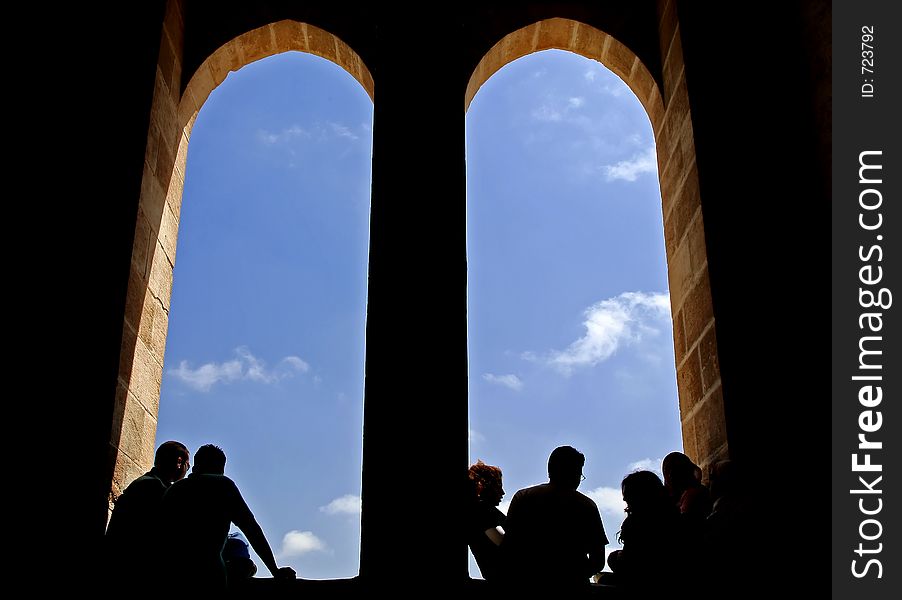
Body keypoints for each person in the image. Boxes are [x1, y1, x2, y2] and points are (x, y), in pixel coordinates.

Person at [161, 444, 296, 591]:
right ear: (221, 469)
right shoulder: (223, 486)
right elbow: (252, 530)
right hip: (209, 575)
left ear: (195, 466)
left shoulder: (174, 490)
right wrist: (275, 570)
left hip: (171, 576)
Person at [500, 446, 607, 589]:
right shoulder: (587, 506)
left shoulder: (523, 497)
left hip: (527, 584)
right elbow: (598, 561)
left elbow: (509, 547)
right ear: (575, 473)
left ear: (550, 470)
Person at [105, 441, 190, 581]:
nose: (187, 470)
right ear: (179, 462)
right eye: (188, 465)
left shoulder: (145, 483)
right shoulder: (154, 488)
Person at [606, 470, 683, 591]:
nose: (625, 500)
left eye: (628, 496)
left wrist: (616, 558)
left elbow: (631, 560)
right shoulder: (673, 517)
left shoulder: (635, 523)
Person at [466, 460, 506, 581]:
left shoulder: (483, 511)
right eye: (498, 486)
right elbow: (505, 545)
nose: (503, 492)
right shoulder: (482, 512)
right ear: (486, 486)